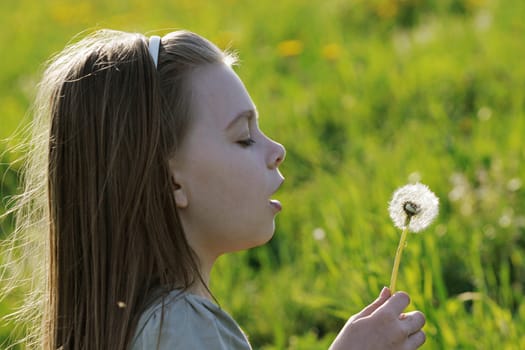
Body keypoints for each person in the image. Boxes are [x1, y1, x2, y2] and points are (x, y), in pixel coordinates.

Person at [4, 29, 426, 349]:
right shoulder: (180, 329)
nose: (277, 150)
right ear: (171, 180)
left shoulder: (140, 325)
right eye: (244, 136)